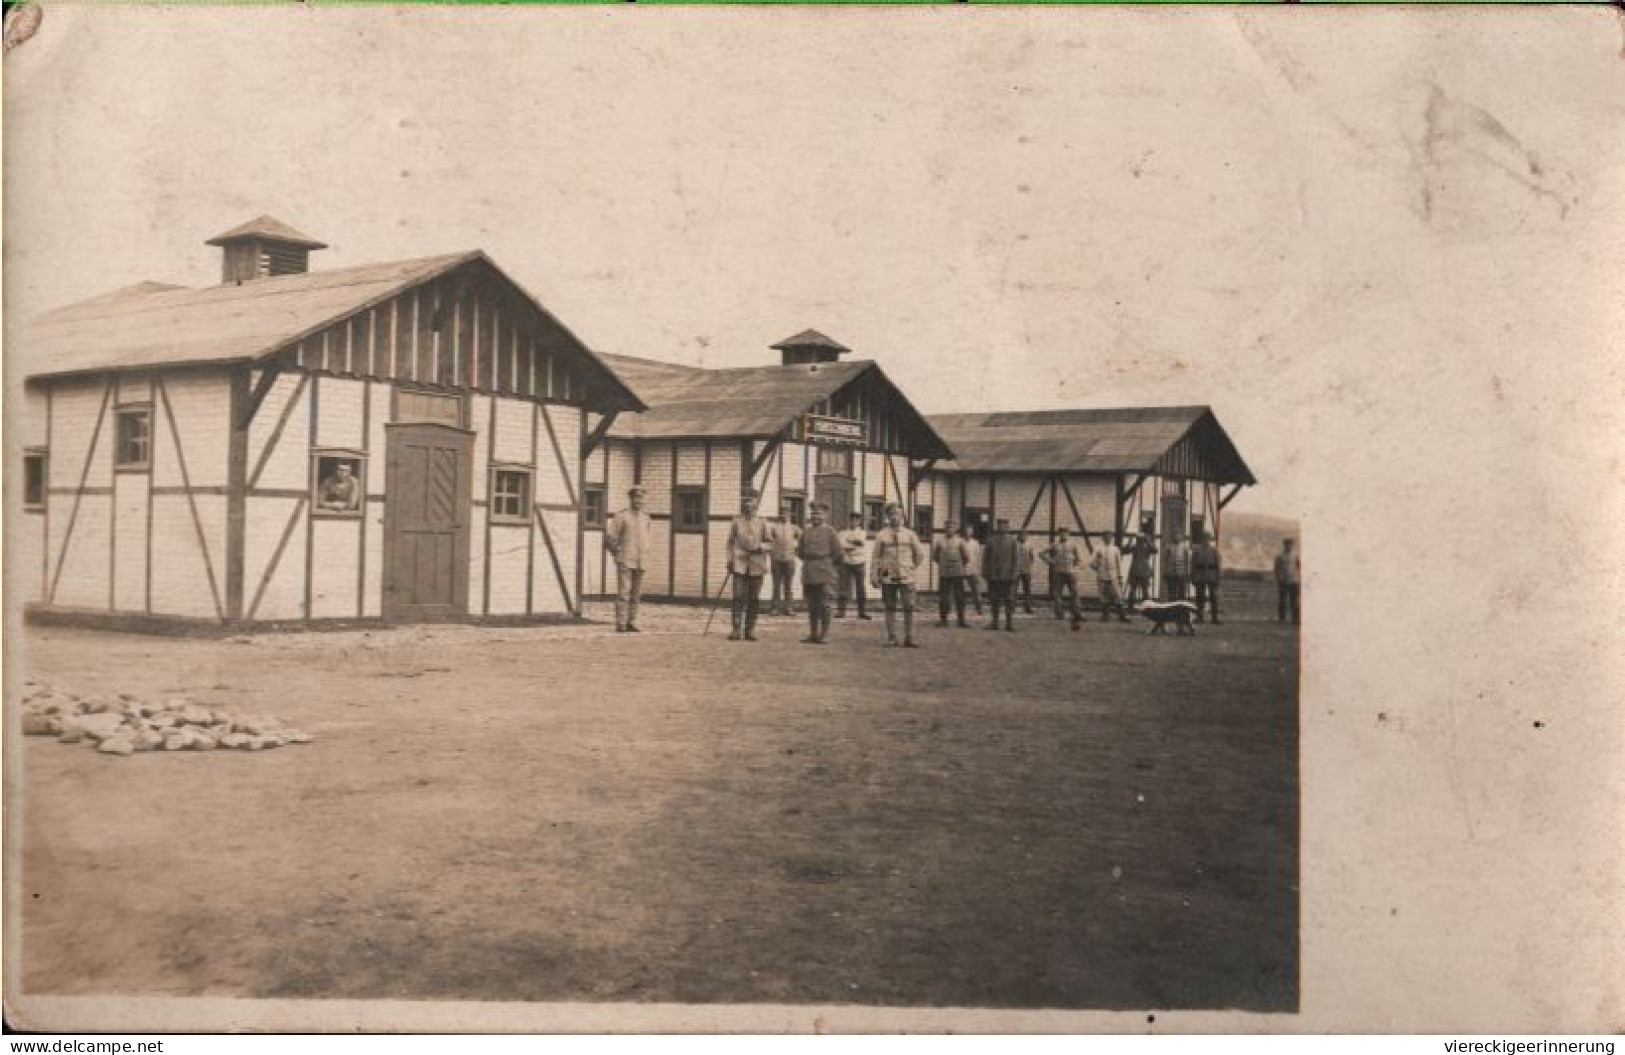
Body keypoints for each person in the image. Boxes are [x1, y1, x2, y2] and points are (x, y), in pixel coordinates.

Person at [871, 502, 926, 648]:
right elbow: (876, 557)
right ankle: (891, 637)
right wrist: (875, 575)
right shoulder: (881, 535)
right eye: (892, 514)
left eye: (898, 514)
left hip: (906, 574)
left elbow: (920, 554)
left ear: (902, 516)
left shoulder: (909, 534)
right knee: (889, 606)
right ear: (888, 516)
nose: (895, 517)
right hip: (887, 571)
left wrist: (912, 566)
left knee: (909, 606)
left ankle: (909, 637)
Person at [603, 484, 652, 633]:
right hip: (626, 559)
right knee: (624, 592)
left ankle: (632, 621)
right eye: (636, 497)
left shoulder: (646, 518)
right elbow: (610, 537)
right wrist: (617, 552)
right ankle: (621, 623)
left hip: (641, 560)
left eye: (641, 498)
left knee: (636, 594)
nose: (639, 501)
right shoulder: (621, 516)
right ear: (630, 498)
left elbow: (646, 537)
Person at [725, 488, 771, 641]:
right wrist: (730, 560)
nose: (748, 505)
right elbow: (730, 543)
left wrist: (760, 548)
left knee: (753, 598)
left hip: (757, 565)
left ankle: (749, 630)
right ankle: (736, 629)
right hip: (739, 564)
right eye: (746, 501)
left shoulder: (763, 522)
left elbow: (770, 544)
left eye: (751, 501)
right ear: (742, 503)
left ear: (756, 503)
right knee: (738, 597)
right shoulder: (736, 522)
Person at [796, 502, 840, 644]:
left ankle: (824, 634)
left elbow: (838, 554)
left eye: (819, 513)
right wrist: (811, 561)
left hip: (825, 571)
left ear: (825, 515)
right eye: (813, 513)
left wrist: (827, 566)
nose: (816, 516)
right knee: (812, 604)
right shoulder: (806, 531)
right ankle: (813, 634)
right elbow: (800, 552)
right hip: (809, 571)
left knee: (825, 604)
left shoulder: (830, 532)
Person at [1039, 526, 1085, 631]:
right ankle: (1059, 614)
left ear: (1069, 534)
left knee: (1075, 593)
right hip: (1058, 573)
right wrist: (1052, 562)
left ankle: (1077, 614)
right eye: (1061, 533)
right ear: (1059, 534)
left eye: (1065, 533)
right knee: (1057, 594)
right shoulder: (1055, 545)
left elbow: (1079, 558)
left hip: (1071, 572)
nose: (1063, 535)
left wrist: (1076, 566)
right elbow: (1041, 554)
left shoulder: (1073, 545)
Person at [982, 518, 1021, 632]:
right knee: (994, 600)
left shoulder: (1013, 541)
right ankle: (995, 623)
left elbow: (1016, 559)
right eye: (999, 525)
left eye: (1004, 525)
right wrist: (985, 572)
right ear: (997, 527)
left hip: (1008, 576)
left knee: (1009, 600)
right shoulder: (990, 541)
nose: (1001, 528)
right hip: (994, 576)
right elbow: (985, 558)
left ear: (1008, 527)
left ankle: (1009, 623)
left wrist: (1015, 573)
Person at [932, 519, 970, 628]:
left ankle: (961, 620)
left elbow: (966, 557)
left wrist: (958, 565)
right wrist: (943, 564)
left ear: (956, 529)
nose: (949, 530)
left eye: (952, 527)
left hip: (958, 573)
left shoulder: (960, 541)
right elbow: (935, 557)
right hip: (944, 573)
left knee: (960, 597)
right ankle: (943, 620)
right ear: (945, 529)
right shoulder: (940, 542)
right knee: (944, 597)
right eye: (947, 527)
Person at [836, 515, 872, 620]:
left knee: (860, 588)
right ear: (849, 520)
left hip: (859, 562)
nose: (853, 522)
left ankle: (862, 612)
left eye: (856, 520)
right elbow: (841, 545)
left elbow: (860, 543)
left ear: (859, 521)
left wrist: (849, 543)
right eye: (852, 520)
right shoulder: (842, 533)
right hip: (846, 562)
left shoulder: (862, 532)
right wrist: (852, 543)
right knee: (843, 587)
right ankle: (841, 611)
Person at [1090, 533, 1131, 623]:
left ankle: (1122, 615)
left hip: (1113, 575)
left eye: (1110, 537)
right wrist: (1098, 568)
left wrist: (1120, 576)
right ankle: (1105, 615)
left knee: (1118, 595)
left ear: (1112, 538)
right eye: (1106, 537)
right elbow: (1092, 562)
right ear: (1103, 538)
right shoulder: (1098, 549)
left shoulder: (1115, 549)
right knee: (1103, 596)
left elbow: (1119, 563)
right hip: (1102, 575)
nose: (1108, 539)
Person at [768, 506, 801, 616]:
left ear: (789, 515)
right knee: (776, 585)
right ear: (779, 514)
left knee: (788, 585)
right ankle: (775, 608)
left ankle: (789, 608)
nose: (784, 515)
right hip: (776, 560)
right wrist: (771, 553)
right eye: (782, 513)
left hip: (789, 560)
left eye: (786, 513)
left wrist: (796, 550)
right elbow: (768, 541)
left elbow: (804, 539)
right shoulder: (774, 528)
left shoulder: (794, 528)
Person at [1190, 528, 1223, 624]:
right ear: (1201, 539)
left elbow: (1218, 566)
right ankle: (1199, 617)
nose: (1206, 540)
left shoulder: (1214, 551)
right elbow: (1193, 565)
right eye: (1204, 538)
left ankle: (1214, 618)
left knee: (1213, 597)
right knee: (1200, 597)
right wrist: (1193, 577)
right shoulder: (1196, 551)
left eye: (1208, 538)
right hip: (1199, 576)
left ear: (1210, 539)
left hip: (1211, 575)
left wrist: (1218, 578)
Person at [1125, 528, 1157, 607]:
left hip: (1138, 571)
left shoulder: (1139, 547)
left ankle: (1133, 607)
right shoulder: (1138, 547)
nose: (1140, 540)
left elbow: (1155, 550)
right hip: (1141, 571)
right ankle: (1138, 607)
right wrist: (1148, 540)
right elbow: (1155, 550)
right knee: (1137, 590)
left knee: (1140, 590)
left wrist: (1129, 541)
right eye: (1139, 539)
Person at [1274, 537, 1301, 624]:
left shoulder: (1296, 556)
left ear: (1292, 545)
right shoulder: (1279, 556)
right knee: (1282, 601)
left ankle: (1295, 619)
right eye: (1287, 544)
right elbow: (1276, 569)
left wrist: (1300, 579)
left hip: (1294, 581)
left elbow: (1300, 567)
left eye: (1290, 544)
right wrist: (1278, 580)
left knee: (1294, 601)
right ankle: (1282, 619)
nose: (1289, 546)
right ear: (1284, 545)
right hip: (1283, 581)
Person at [960, 524, 985, 616]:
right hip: (962, 569)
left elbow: (978, 556)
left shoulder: (975, 543)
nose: (967, 533)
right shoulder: (960, 542)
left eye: (969, 531)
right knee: (960, 591)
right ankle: (961, 610)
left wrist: (978, 568)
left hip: (973, 569)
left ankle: (979, 609)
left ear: (972, 533)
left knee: (976, 590)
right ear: (964, 532)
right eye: (966, 531)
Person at [1163, 529, 1191, 603]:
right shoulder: (1168, 546)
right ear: (1173, 536)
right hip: (1171, 573)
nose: (1177, 537)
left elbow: (1187, 560)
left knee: (1182, 592)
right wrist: (1165, 571)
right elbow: (1165, 560)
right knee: (1172, 592)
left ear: (1181, 536)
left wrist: (1187, 572)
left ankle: (1181, 609)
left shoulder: (1185, 547)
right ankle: (1172, 609)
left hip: (1181, 573)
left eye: (1179, 535)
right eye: (1175, 535)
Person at [1015, 530, 1037, 614]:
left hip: (1026, 571)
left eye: (1025, 536)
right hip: (1016, 570)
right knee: (1014, 589)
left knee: (1027, 590)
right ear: (1019, 536)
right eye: (1022, 535)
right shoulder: (1014, 545)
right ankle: (1012, 607)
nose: (1024, 537)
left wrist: (1028, 565)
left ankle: (1027, 607)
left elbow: (1032, 557)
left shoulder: (1029, 545)